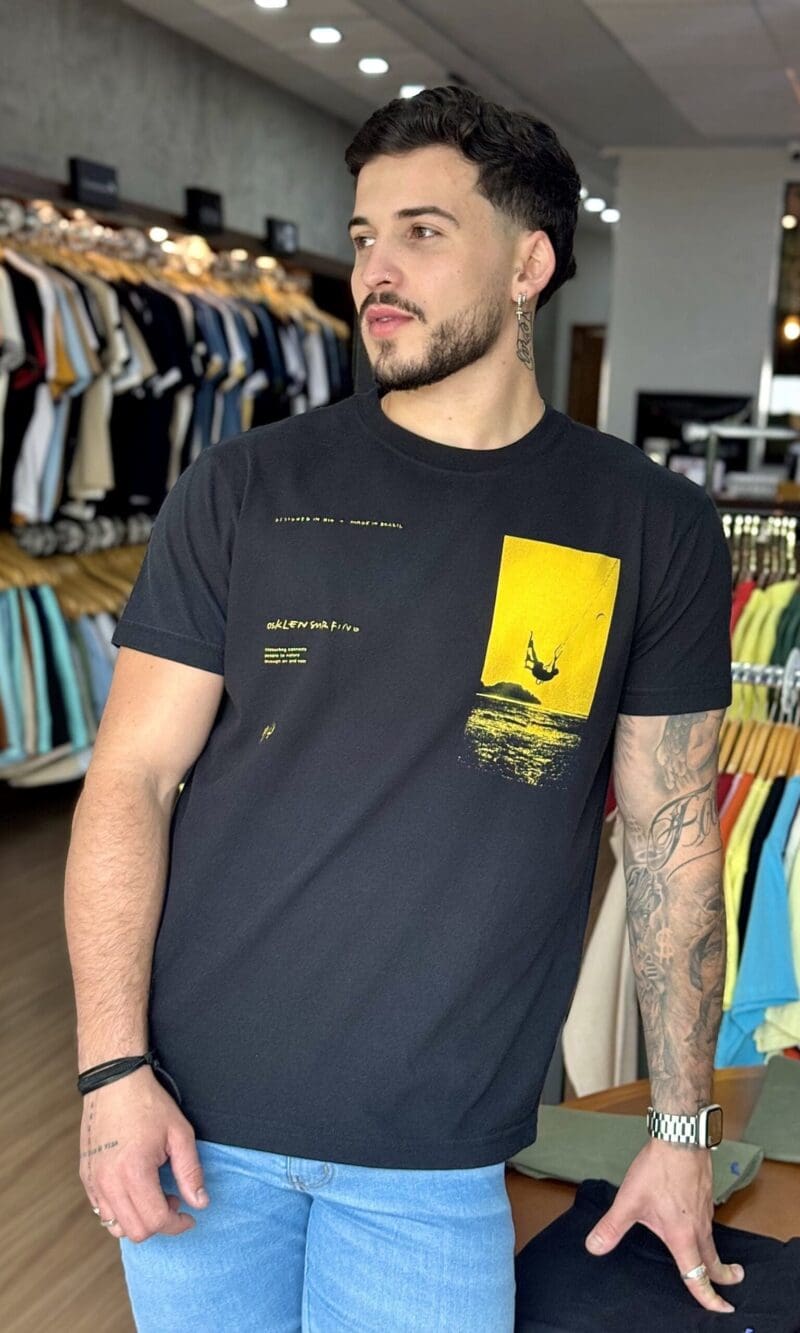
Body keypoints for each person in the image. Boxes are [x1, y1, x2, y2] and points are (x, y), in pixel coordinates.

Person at [64, 85, 743, 1330]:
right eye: (364, 235)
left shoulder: (645, 523)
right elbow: (131, 780)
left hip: (437, 1156)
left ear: (529, 263)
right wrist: (110, 1069)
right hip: (196, 1122)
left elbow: (668, 835)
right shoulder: (245, 485)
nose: (374, 270)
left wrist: (680, 1128)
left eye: (423, 232)